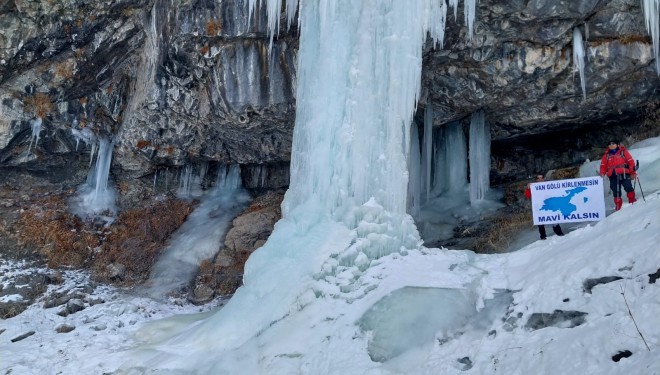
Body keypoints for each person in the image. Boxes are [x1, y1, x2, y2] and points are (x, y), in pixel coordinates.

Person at [599, 140, 636, 211]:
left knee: (628, 186)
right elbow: (603, 166)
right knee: (615, 190)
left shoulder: (623, 152)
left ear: (617, 144)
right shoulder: (606, 155)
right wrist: (602, 173)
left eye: (613, 143)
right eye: (609, 144)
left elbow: (630, 161)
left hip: (624, 172)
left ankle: (632, 200)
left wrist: (632, 172)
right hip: (613, 174)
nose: (611, 145)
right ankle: (618, 205)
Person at [524, 174, 564, 240]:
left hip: (550, 206)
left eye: (541, 178)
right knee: (540, 222)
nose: (540, 180)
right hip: (539, 208)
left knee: (554, 221)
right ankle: (543, 238)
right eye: (538, 178)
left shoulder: (549, 185)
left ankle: (560, 234)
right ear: (536, 179)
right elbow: (528, 196)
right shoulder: (533, 187)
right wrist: (528, 188)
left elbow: (558, 192)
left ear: (544, 178)